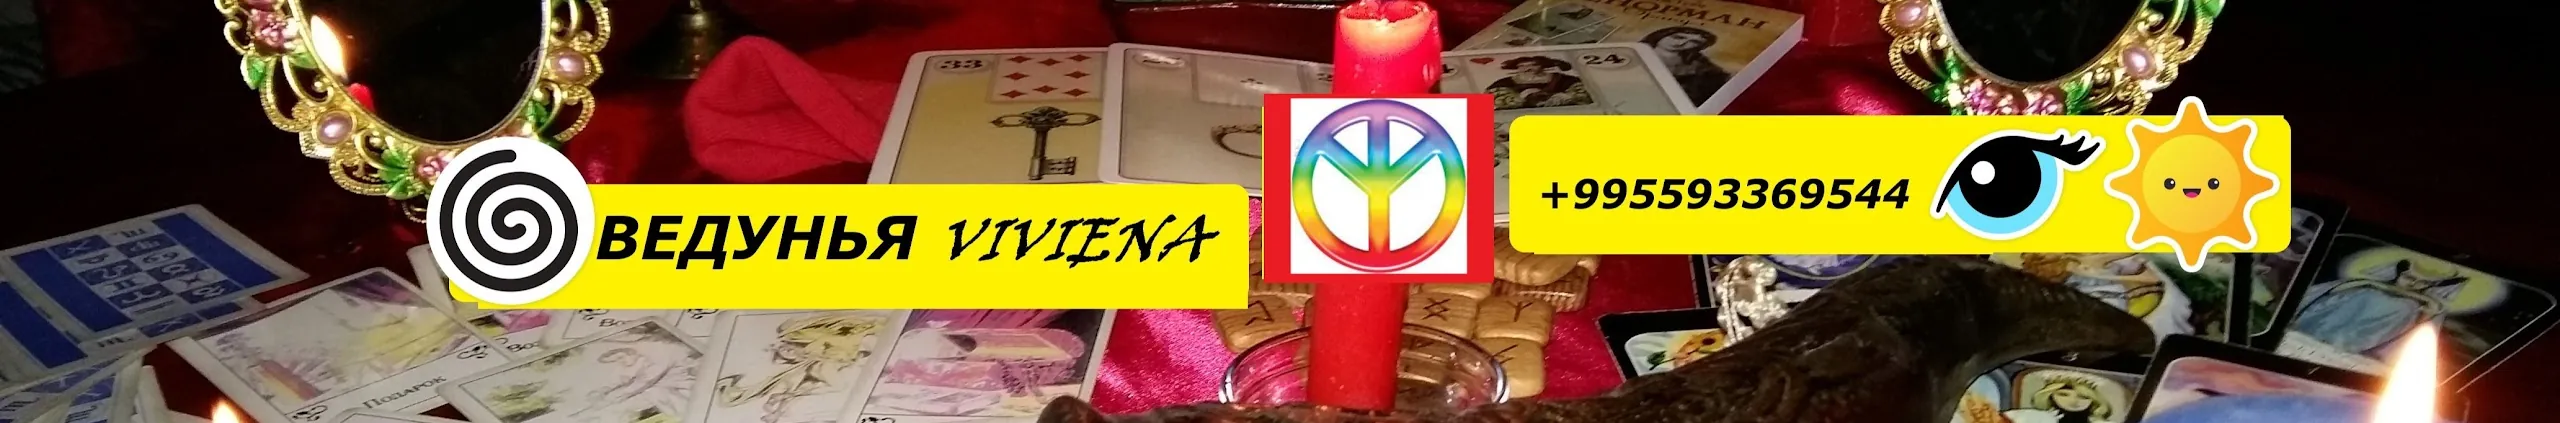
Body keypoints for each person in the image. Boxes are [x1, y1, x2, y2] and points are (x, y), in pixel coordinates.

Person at [2293, 259, 2466, 357]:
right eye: (2409, 278)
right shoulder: (2368, 288)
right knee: (2368, 295)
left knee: (2405, 306)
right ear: (2400, 273)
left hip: (2357, 341)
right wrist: (2375, 285)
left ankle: (2342, 343)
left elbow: (2432, 311)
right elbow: (2336, 290)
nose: (2413, 284)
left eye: (2423, 283)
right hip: (2323, 325)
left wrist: (2418, 297)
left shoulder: (2411, 305)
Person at [1639, 26, 1732, 106]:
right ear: (1661, 35)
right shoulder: (1636, 52)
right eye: (1678, 37)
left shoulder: (1701, 67)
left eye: (1694, 42)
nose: (1681, 43)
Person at [1485, 56, 1592, 109]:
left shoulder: (1563, 79)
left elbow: (1585, 92)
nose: (1528, 68)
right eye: (1522, 66)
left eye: (1533, 65)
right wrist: (1520, 97)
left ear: (1542, 66)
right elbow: (1489, 101)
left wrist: (1566, 97)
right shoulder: (1504, 82)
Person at [2005, 376, 2118, 423]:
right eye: (2063, 394)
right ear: (2050, 395)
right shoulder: (2031, 417)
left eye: (2083, 397)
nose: (2073, 401)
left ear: (2093, 399)